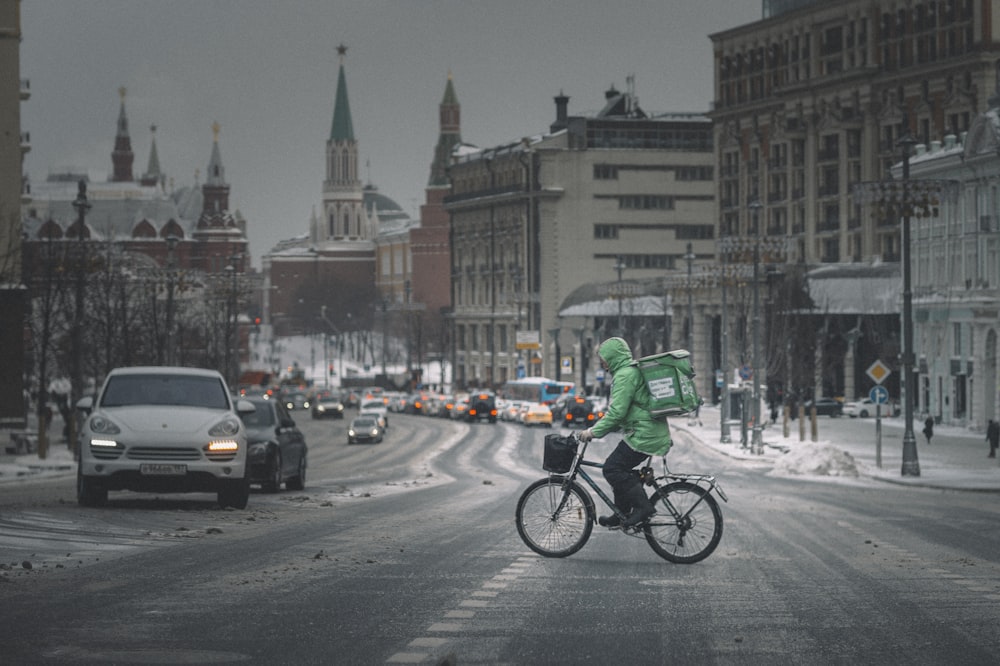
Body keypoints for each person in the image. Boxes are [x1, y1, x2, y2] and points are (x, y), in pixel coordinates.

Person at [578, 337, 671, 529]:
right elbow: (622, 414)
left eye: (604, 358)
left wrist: (592, 432)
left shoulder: (625, 375)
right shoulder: (629, 372)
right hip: (646, 431)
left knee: (612, 468)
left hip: (645, 434)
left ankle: (643, 507)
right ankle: (621, 514)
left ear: (613, 357)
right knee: (619, 470)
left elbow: (617, 413)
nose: (602, 363)